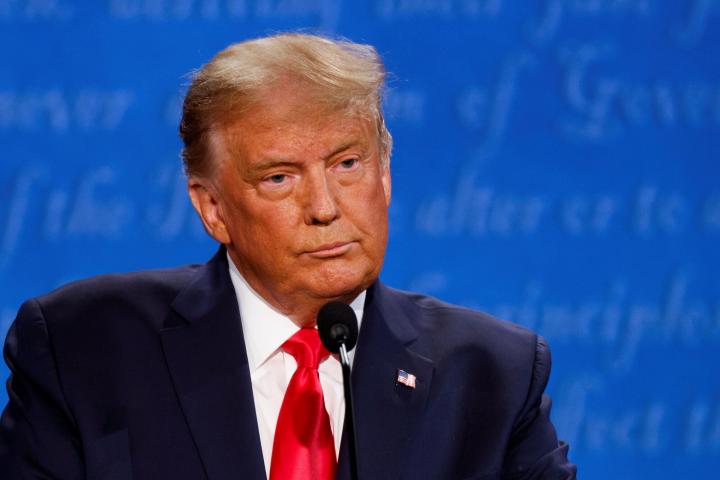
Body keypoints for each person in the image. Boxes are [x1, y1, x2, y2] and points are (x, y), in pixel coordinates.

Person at [0, 34, 576, 479]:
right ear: (213, 209)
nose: (325, 207)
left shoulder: (493, 376)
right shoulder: (82, 348)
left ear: (385, 174)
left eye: (347, 164)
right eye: (279, 177)